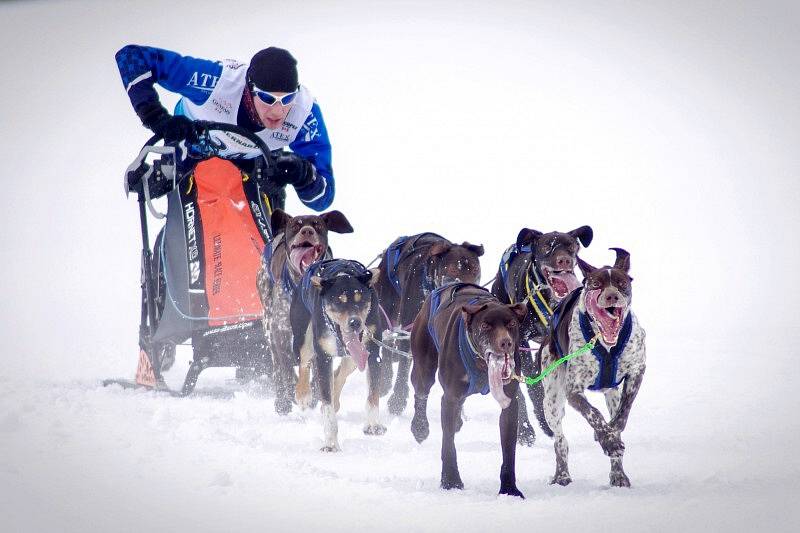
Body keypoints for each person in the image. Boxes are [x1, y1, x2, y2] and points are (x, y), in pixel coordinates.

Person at [115, 45, 334, 211]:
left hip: (254, 157)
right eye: (267, 98)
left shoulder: (304, 113)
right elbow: (131, 56)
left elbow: (323, 199)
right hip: (194, 144)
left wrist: (305, 177)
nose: (277, 111)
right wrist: (157, 118)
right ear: (249, 89)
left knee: (271, 191)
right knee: (154, 185)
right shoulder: (216, 81)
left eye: (287, 100)